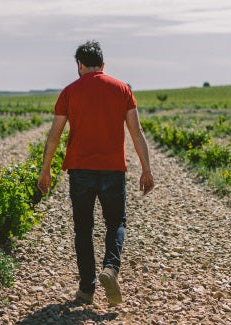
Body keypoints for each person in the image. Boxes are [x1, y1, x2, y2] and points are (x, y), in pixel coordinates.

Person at [37, 40, 154, 306]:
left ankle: (87, 289)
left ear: (79, 65)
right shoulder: (123, 89)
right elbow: (137, 133)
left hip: (80, 170)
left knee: (83, 229)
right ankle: (111, 269)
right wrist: (146, 169)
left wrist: (45, 170)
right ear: (103, 63)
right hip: (113, 169)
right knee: (115, 224)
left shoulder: (69, 92)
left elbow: (54, 136)